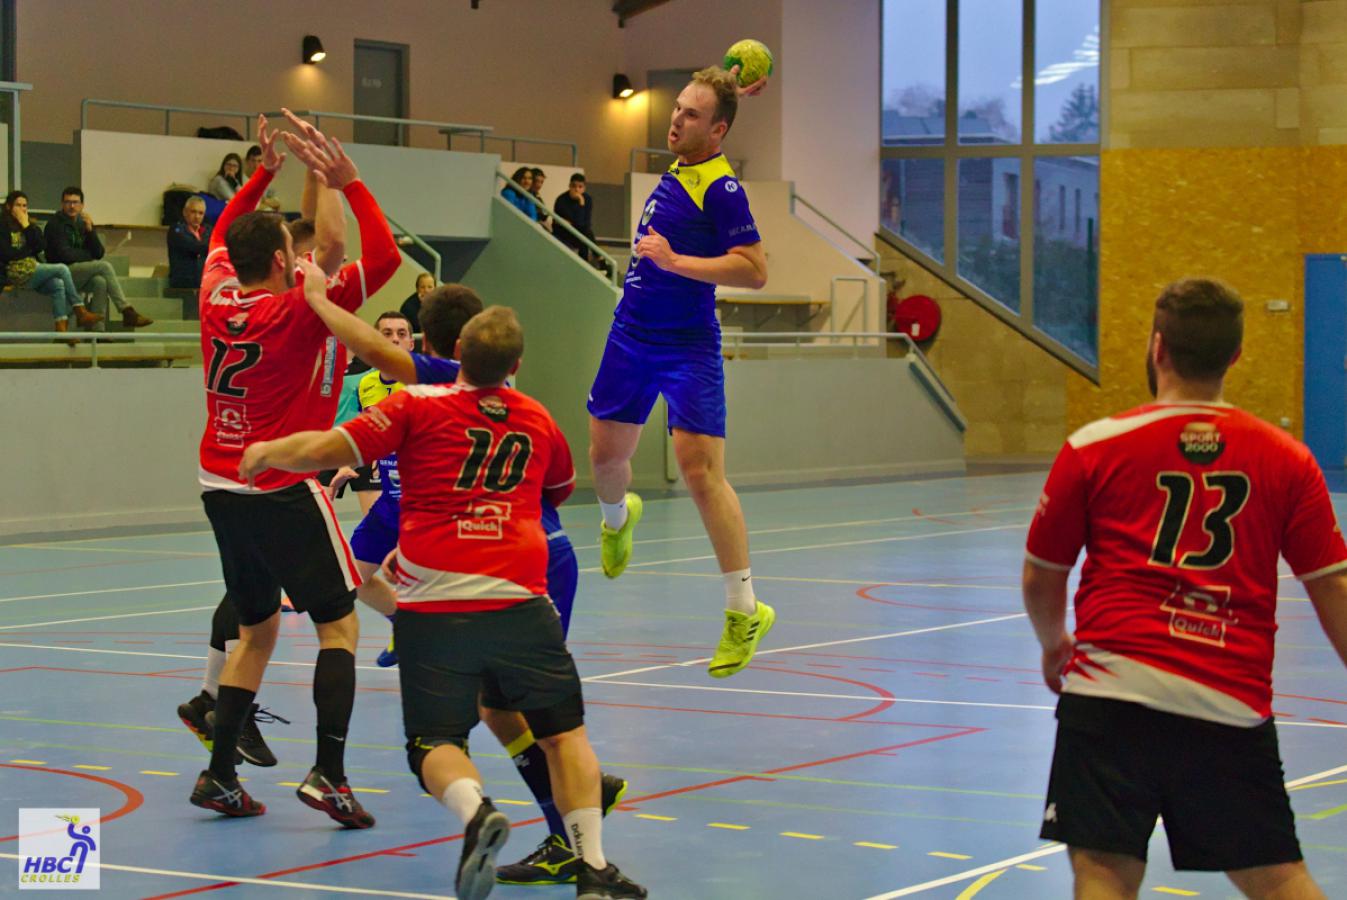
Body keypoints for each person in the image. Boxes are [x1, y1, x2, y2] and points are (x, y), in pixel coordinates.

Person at [239, 305, 646, 900]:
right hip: (521, 602)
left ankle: (476, 811)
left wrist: (268, 450)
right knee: (566, 736)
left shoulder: (414, 407)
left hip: (436, 608)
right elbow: (556, 489)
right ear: (516, 365)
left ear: (453, 349)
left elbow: (327, 449)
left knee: (435, 743)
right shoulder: (537, 419)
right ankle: (594, 870)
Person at [1024, 278, 1347, 900]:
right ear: (1235, 356)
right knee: (1277, 875)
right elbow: (1333, 590)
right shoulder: (1288, 461)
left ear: (1157, 349)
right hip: (1226, 702)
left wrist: (1052, 643)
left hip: (1109, 693)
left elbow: (1043, 574)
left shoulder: (1094, 447)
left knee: (1102, 871)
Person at [186, 113, 399, 827]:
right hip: (278, 483)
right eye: (291, 243)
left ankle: (218, 777)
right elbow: (386, 260)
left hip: (218, 482)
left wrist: (262, 174)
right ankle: (328, 775)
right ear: (283, 260)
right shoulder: (299, 310)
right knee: (338, 628)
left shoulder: (216, 291)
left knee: (256, 632)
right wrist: (348, 180)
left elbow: (222, 234)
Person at [587, 66, 773, 678]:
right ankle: (619, 519)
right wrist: (728, 86)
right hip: (630, 332)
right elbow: (711, 102)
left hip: (688, 343)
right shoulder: (686, 159)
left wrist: (673, 260)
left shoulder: (723, 189)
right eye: (676, 110)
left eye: (690, 116)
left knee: (700, 474)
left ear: (716, 131)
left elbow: (753, 270)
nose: (675, 119)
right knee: (606, 459)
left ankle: (744, 609)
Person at [44, 186, 153, 329]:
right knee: (104, 266)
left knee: (100, 282)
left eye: (75, 202)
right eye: (67, 202)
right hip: (60, 271)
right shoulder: (54, 224)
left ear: (82, 205)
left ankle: (98, 332)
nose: (71, 206)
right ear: (61, 204)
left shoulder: (82, 223)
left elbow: (99, 253)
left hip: (76, 272)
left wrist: (90, 231)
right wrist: (88, 256)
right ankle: (127, 311)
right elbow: (65, 255)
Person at [0, 190, 102, 333]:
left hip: (31, 270)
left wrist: (26, 226)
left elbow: (41, 245)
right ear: (9, 207)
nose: (22, 209)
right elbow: (8, 254)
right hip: (11, 272)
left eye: (25, 205)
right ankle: (80, 310)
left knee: (58, 285)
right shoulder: (2, 226)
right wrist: (28, 250)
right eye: (18, 205)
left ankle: (61, 330)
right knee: (61, 269)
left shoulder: (28, 225)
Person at [167, 196, 211, 289]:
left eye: (201, 213)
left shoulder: (208, 230)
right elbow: (193, 247)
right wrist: (212, 245)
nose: (197, 216)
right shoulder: (176, 230)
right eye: (193, 212)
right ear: (185, 212)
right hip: (183, 286)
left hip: (204, 284)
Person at [553, 173, 596, 259]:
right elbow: (578, 223)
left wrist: (581, 202)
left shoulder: (587, 199)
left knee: (585, 233)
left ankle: (588, 261)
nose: (576, 189)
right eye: (574, 186)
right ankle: (600, 260)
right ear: (569, 186)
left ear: (584, 188)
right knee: (586, 233)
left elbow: (584, 223)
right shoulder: (561, 200)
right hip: (564, 232)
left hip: (580, 232)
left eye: (580, 187)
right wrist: (580, 207)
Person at [243, 145, 282, 212]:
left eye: (259, 161)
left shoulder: (265, 180)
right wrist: (265, 202)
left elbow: (276, 203)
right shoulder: (243, 180)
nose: (256, 165)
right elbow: (250, 206)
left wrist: (264, 201)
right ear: (247, 161)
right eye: (253, 160)